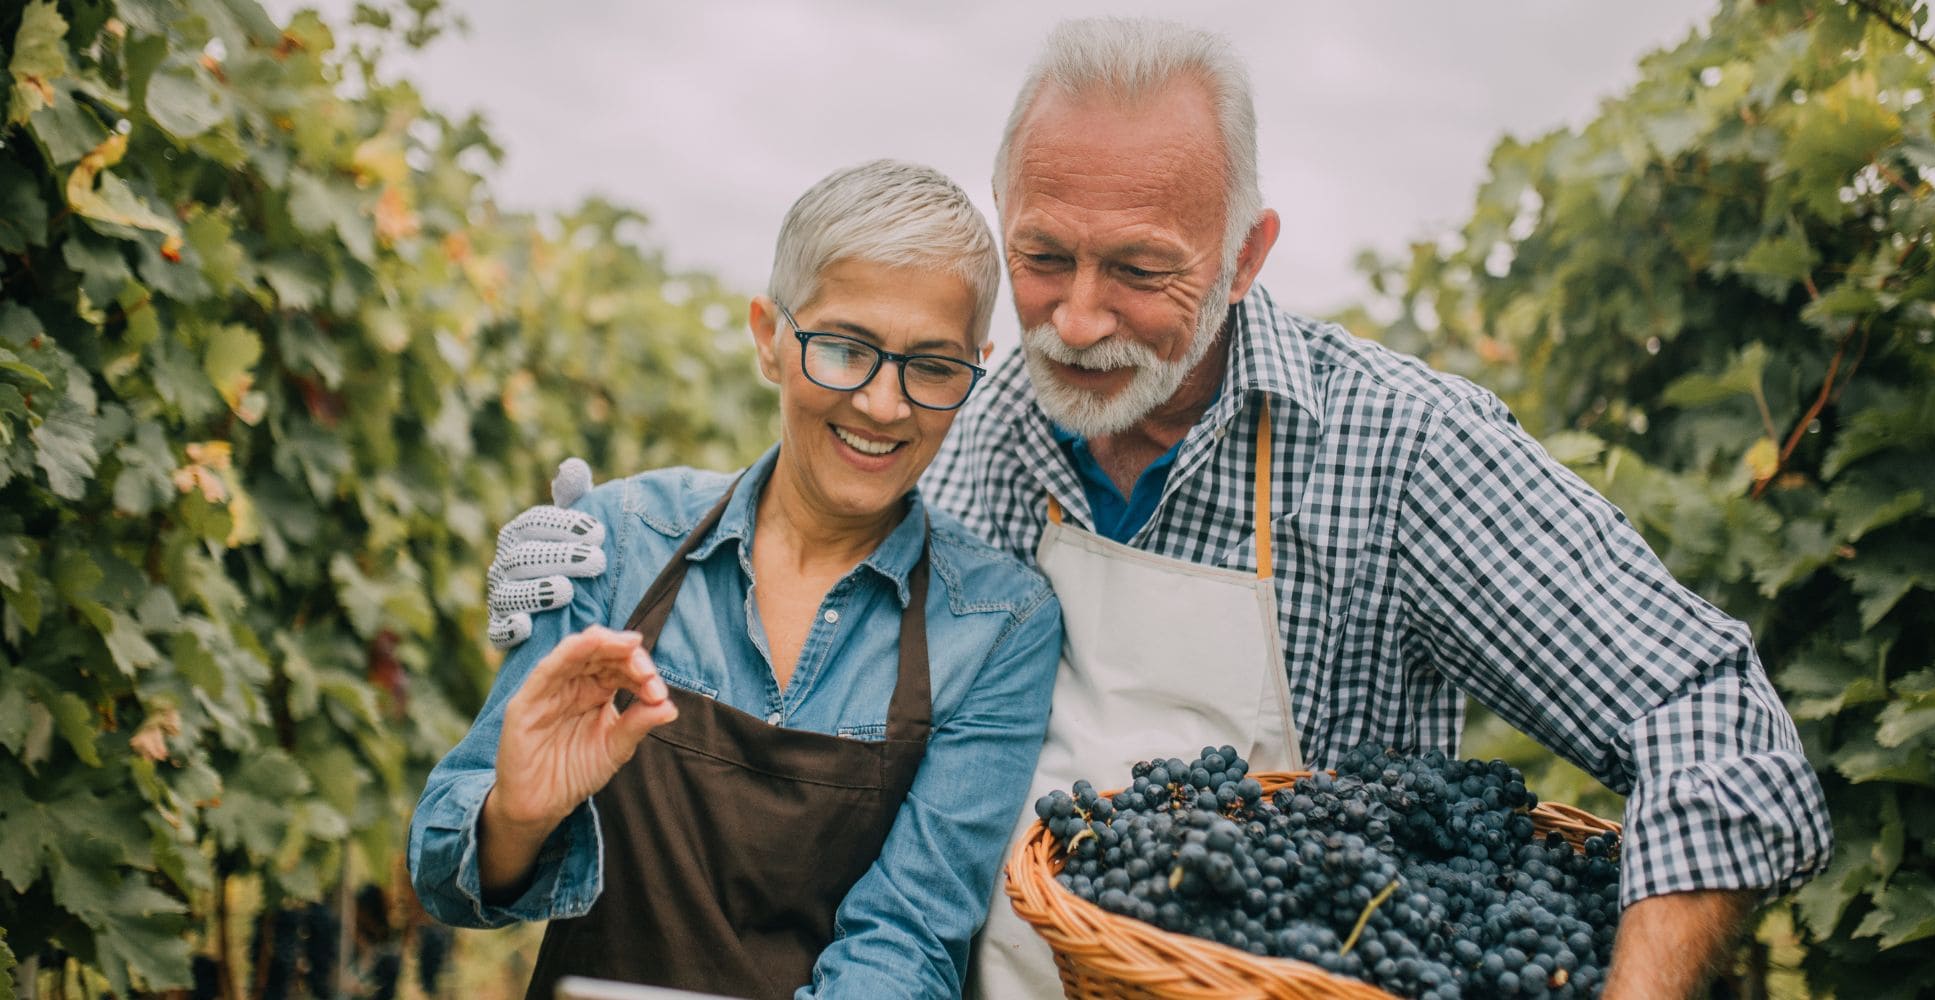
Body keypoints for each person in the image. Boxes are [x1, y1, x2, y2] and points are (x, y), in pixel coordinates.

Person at [486, 19, 1833, 1000]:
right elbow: (772, 588)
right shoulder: (956, 440)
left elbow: (1714, 724)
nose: (1074, 321)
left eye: (1141, 270)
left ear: (1249, 251)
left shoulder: (1396, 450)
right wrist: (595, 567)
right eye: (1041, 257)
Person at [412, 160, 1063, 1000]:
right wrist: (519, 815)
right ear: (769, 336)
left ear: (975, 368)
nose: (883, 405)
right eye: (843, 348)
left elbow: (907, 938)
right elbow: (441, 869)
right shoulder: (622, 542)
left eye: (932, 366)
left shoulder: (999, 625)